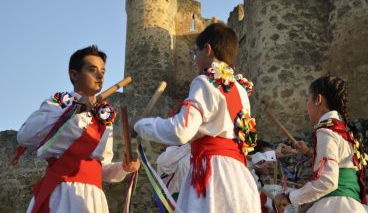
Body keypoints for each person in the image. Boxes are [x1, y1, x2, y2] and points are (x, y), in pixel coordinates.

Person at [133, 23, 260, 213]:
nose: (194, 60)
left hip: (212, 176)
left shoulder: (204, 81)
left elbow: (181, 130)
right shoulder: (242, 90)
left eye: (195, 53)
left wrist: (140, 126)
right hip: (240, 180)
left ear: (207, 50)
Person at [16, 45, 140, 213]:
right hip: (61, 193)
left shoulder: (104, 116)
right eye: (92, 70)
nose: (99, 75)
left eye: (103, 71)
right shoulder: (60, 103)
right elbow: (25, 135)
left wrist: (123, 168)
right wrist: (73, 110)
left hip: (93, 198)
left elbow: (101, 168)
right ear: (74, 75)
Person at [273, 75, 368, 213]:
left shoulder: (326, 130)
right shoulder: (345, 132)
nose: (306, 107)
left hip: (335, 206)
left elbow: (328, 180)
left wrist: (289, 198)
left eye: (307, 100)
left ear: (318, 100)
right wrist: (309, 152)